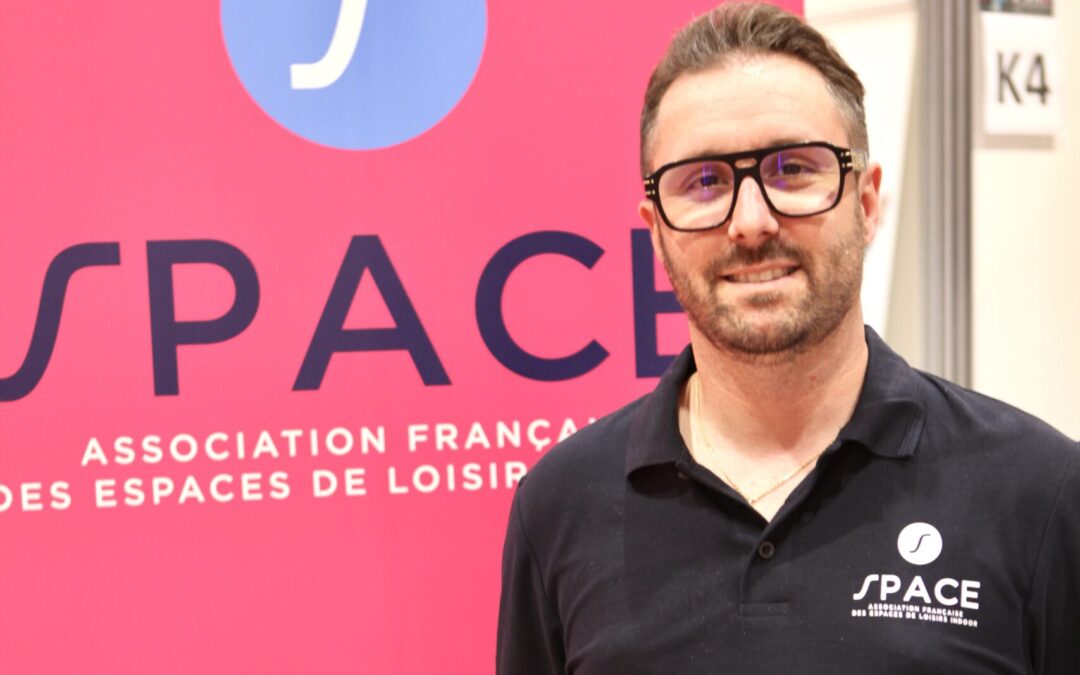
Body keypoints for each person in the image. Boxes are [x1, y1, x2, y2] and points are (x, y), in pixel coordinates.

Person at [496, 2, 1080, 673]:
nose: (750, 221)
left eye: (793, 169)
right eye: (704, 182)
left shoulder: (1039, 492)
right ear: (656, 231)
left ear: (865, 203)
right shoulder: (560, 505)